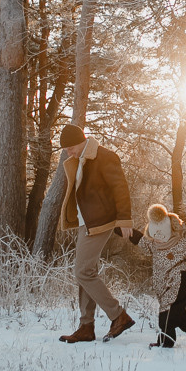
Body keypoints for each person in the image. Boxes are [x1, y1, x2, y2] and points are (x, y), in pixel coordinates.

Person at [56, 123, 136, 343]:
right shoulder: (80, 159)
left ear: (82, 140)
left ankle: (118, 315)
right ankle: (86, 327)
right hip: (87, 222)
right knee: (85, 271)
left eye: (71, 147)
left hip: (101, 221)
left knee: (83, 272)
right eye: (66, 149)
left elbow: (120, 188)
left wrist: (124, 219)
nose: (68, 152)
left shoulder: (104, 156)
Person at [123, 204, 186, 348]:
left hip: (178, 281)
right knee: (174, 316)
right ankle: (175, 339)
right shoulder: (154, 245)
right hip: (164, 286)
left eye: (161, 234)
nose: (158, 239)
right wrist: (122, 229)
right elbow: (140, 240)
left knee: (168, 316)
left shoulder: (179, 244)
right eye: (154, 235)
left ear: (171, 230)